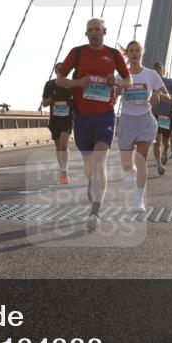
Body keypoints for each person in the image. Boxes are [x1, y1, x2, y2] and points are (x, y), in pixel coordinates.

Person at [57, 18, 131, 231]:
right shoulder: (77, 53)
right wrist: (78, 83)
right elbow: (60, 80)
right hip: (82, 118)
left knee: (99, 162)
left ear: (104, 32)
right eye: (90, 30)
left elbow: (128, 81)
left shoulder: (114, 55)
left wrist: (117, 82)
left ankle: (95, 213)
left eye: (97, 29)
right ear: (86, 33)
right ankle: (92, 182)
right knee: (90, 166)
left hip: (105, 116)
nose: (94, 33)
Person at [114, 41, 169, 212]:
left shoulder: (151, 74)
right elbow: (113, 98)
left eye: (137, 50)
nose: (134, 53)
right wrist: (116, 92)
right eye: (131, 51)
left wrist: (158, 95)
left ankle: (139, 201)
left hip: (145, 121)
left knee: (141, 160)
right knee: (126, 165)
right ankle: (131, 172)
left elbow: (167, 95)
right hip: (127, 121)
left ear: (141, 53)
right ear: (127, 54)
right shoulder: (120, 76)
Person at [41, 63, 75, 184]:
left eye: (64, 70)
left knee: (63, 144)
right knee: (58, 146)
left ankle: (64, 172)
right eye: (59, 70)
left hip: (67, 118)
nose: (61, 72)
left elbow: (77, 102)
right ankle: (62, 169)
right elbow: (44, 104)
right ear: (55, 72)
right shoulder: (49, 85)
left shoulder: (71, 85)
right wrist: (52, 99)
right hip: (55, 119)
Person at [151, 62, 172, 175]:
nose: (158, 71)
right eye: (155, 69)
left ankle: (165, 151)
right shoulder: (150, 82)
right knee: (157, 141)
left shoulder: (170, 82)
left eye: (160, 69)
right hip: (153, 115)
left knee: (166, 142)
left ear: (164, 71)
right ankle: (159, 165)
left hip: (165, 115)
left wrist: (164, 96)